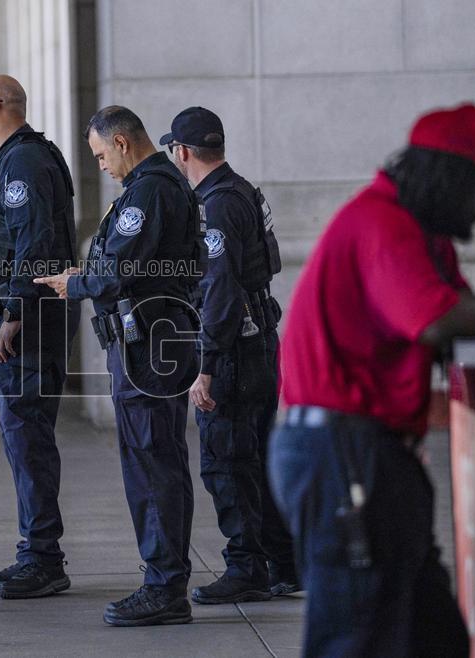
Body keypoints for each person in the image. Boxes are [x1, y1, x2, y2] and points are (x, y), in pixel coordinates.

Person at [270, 103, 475, 657]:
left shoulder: (426, 238)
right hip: (342, 456)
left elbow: (463, 313)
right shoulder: (383, 224)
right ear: (449, 178)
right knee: (356, 638)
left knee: (432, 638)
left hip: (371, 456)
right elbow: (438, 319)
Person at [36, 105, 201, 626]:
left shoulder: (150, 191)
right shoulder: (149, 188)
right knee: (155, 460)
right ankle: (165, 580)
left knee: (152, 464)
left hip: (148, 346)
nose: (102, 165)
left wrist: (75, 284)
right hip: (148, 342)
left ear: (123, 143)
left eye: (101, 154)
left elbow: (120, 270)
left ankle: (164, 587)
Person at [162, 107, 297, 604]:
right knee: (257, 459)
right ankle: (285, 563)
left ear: (182, 152)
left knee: (226, 463)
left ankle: (246, 568)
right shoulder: (243, 191)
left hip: (234, 351)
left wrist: (207, 365)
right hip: (259, 341)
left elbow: (220, 291)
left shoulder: (214, 206)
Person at [0, 74, 80, 599]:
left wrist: (13, 312)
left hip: (25, 326)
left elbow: (35, 243)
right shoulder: (8, 161)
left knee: (27, 437)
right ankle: (35, 552)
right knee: (22, 437)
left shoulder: (23, 162)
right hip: (16, 319)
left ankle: (44, 559)